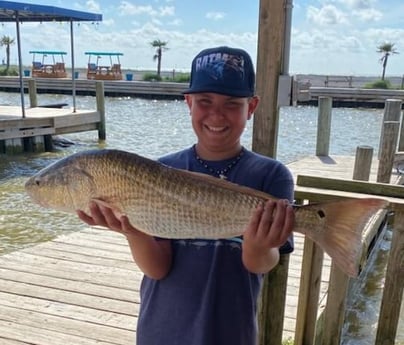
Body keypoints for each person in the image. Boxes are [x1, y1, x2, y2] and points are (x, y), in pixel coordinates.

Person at [77, 46, 295, 345]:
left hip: (231, 332)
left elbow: (261, 264)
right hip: (161, 330)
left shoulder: (271, 175)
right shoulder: (160, 170)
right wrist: (132, 232)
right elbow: (158, 267)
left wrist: (258, 244)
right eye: (205, 101)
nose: (217, 113)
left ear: (252, 107)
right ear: (188, 103)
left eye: (232, 103)